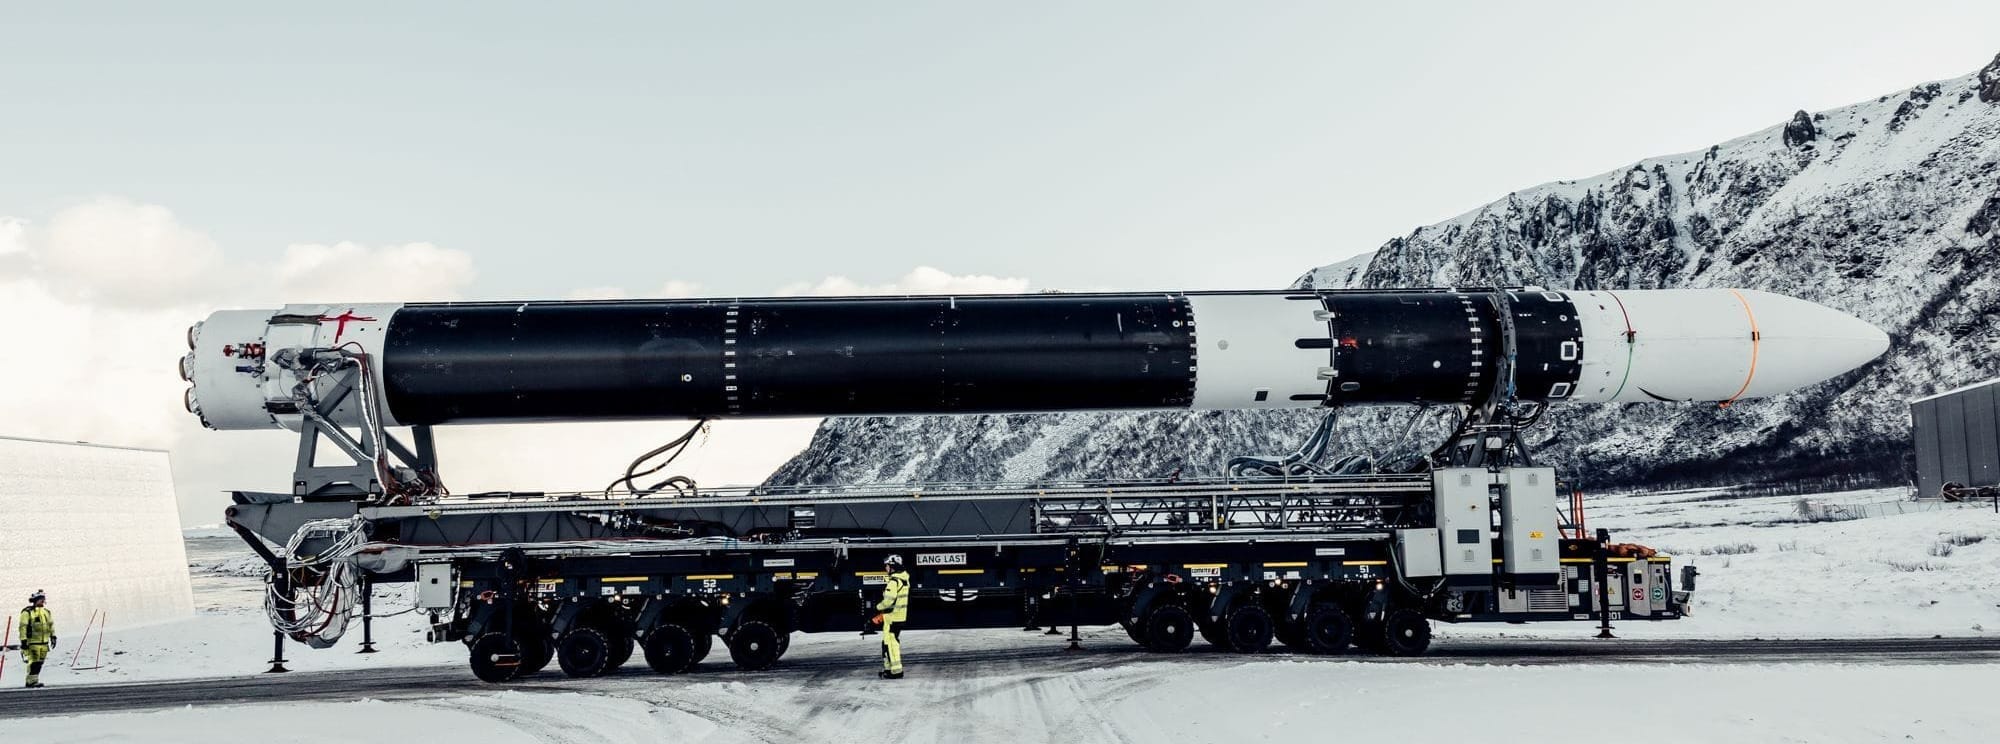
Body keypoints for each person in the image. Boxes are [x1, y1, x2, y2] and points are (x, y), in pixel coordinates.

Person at [871, 555, 910, 679]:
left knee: (891, 644)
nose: (886, 568)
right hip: (899, 617)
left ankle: (896, 671)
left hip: (892, 618)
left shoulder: (894, 582)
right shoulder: (904, 579)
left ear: (893, 566)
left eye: (887, 566)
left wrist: (877, 607)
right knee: (890, 642)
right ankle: (890, 669)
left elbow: (888, 601)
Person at [18, 590, 55, 688]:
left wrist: (53, 636)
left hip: (44, 642)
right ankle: (30, 681)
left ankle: (34, 680)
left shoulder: (46, 612)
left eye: (43, 599)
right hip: (33, 642)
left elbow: (50, 625)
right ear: (35, 600)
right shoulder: (27, 612)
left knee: (40, 662)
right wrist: (23, 640)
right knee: (34, 662)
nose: (43, 601)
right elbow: (23, 627)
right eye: (41, 599)